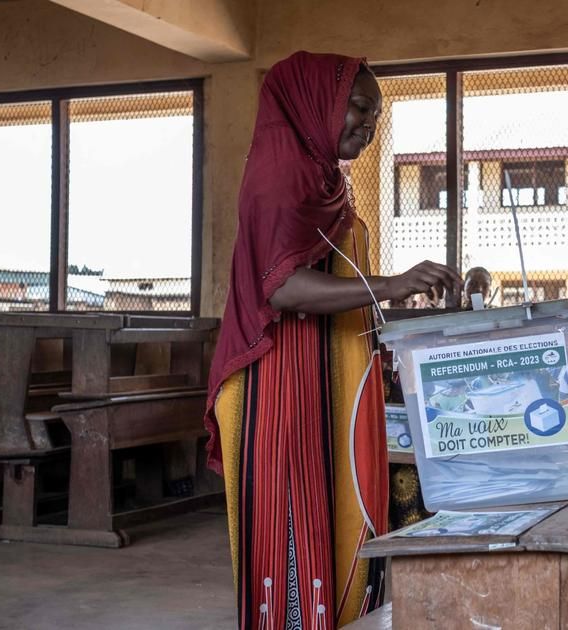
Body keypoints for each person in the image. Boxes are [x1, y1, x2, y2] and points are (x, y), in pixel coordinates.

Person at [205, 51, 461, 630]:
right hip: (279, 381)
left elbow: (332, 275)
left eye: (375, 119)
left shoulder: (322, 177)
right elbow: (282, 287)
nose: (367, 129)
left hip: (319, 372)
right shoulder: (281, 176)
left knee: (343, 516)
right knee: (295, 527)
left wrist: (395, 298)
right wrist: (390, 284)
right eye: (359, 110)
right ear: (315, 103)